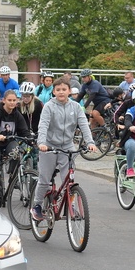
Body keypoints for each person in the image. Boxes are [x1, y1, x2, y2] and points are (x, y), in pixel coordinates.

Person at [31, 78, 96, 221]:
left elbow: (84, 124)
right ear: (54, 92)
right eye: (58, 90)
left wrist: (90, 142)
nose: (61, 92)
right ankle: (37, 205)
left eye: (64, 89)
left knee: (69, 180)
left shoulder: (76, 107)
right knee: (44, 179)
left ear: (69, 91)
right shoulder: (49, 106)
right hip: (49, 146)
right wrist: (41, 143)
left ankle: (70, 205)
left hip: (67, 146)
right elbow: (43, 125)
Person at [0, 90, 32, 204]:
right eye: (9, 100)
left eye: (14, 100)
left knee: (16, 151)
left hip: (9, 143)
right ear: (4, 100)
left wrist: (32, 141)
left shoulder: (17, 114)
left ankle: (12, 176)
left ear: (17, 101)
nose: (12, 103)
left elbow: (24, 131)